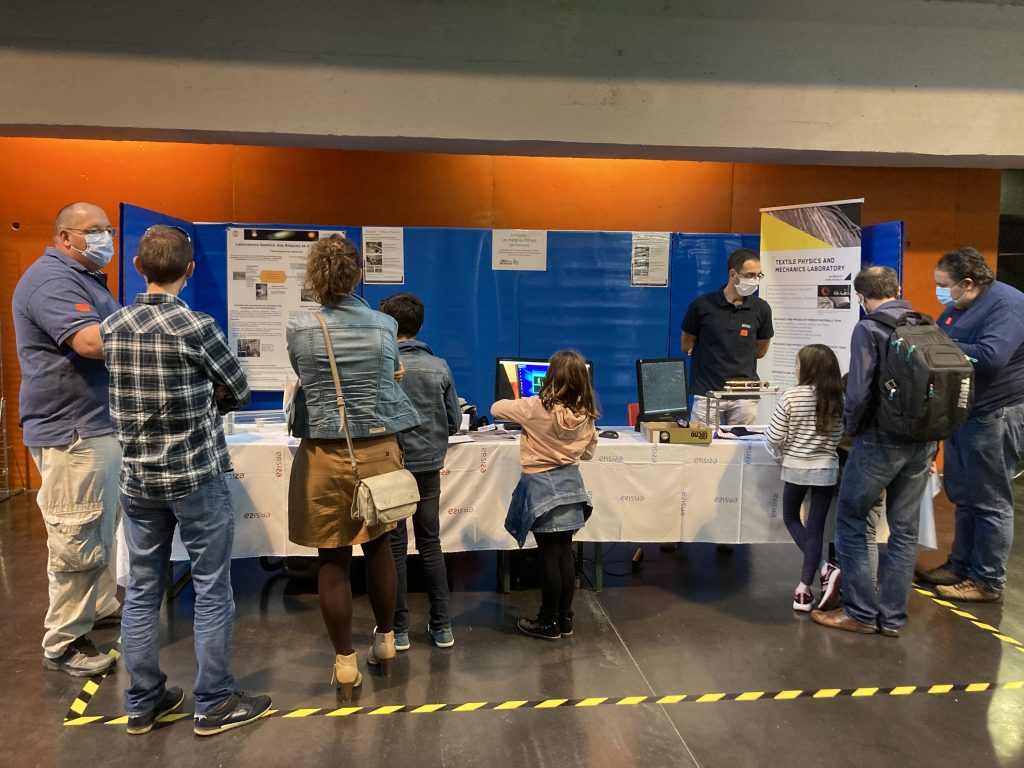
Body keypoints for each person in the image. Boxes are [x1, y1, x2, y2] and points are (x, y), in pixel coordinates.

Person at [101, 225, 271, 735]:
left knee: (143, 589)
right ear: (190, 271)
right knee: (212, 588)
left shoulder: (113, 326)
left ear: (137, 268)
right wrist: (209, 396)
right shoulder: (197, 327)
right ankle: (214, 701)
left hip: (138, 479)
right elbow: (238, 388)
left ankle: (142, 701)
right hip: (196, 476)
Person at [286, 234, 420, 699]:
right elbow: (386, 378)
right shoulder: (385, 325)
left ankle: (344, 663)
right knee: (381, 547)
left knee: (333, 559)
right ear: (358, 274)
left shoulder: (301, 329)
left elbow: (307, 376)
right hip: (380, 450)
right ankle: (385, 641)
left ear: (313, 277)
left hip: (324, 454)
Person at [12, 202, 123, 677]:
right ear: (64, 238)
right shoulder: (52, 281)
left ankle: (97, 606)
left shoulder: (85, 279)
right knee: (76, 532)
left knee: (98, 525)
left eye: (108, 230)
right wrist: (152, 337)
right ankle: (64, 641)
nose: (104, 239)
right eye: (93, 231)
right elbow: (91, 343)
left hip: (94, 423)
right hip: (71, 429)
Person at [813, 266, 936, 637]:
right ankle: (893, 617)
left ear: (862, 298)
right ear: (897, 288)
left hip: (881, 441)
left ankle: (861, 612)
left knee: (852, 521)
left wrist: (849, 432)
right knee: (903, 530)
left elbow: (859, 392)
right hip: (924, 441)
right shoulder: (927, 323)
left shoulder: (869, 328)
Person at [915, 248, 1024, 602]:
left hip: (996, 414)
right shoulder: (960, 306)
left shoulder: (1007, 306)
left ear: (967, 283)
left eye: (943, 286)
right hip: (965, 412)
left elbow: (991, 358)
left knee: (990, 500)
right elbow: (939, 332)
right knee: (963, 495)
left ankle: (987, 580)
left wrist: (939, 346)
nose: (940, 293)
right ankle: (960, 565)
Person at [492, 350, 598, 641]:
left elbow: (497, 408)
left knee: (549, 557)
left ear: (552, 376)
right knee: (565, 553)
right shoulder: (586, 415)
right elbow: (588, 453)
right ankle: (565, 619)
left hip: (541, 488)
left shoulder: (536, 407)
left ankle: (548, 621)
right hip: (571, 487)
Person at [379, 292, 461, 651]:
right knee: (431, 544)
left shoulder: (383, 366)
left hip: (392, 467)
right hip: (429, 467)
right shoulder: (439, 366)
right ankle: (442, 627)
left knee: (395, 549)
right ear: (420, 325)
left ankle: (397, 631)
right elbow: (454, 422)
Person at [765, 344, 844, 613]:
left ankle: (819, 576)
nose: (795, 369)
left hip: (796, 468)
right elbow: (838, 438)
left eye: (797, 364)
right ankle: (804, 587)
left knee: (791, 518)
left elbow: (774, 437)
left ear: (807, 369)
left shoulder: (791, 397)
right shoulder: (838, 398)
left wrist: (781, 452)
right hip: (827, 470)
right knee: (816, 529)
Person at [681, 247, 774, 427]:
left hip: (744, 394)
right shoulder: (702, 305)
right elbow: (686, 344)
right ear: (733, 274)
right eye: (749, 275)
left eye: (758, 275)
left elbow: (761, 350)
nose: (755, 280)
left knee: (742, 448)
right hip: (707, 392)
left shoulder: (761, 308)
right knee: (700, 447)